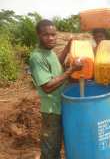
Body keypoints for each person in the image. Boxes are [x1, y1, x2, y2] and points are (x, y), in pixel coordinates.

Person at [29, 19, 82, 159]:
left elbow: (57, 63)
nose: (51, 38)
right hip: (51, 110)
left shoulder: (49, 52)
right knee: (50, 148)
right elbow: (47, 87)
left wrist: (68, 46)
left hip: (60, 105)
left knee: (57, 145)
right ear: (38, 35)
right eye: (46, 35)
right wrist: (71, 70)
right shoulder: (37, 57)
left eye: (53, 34)